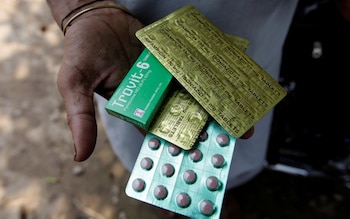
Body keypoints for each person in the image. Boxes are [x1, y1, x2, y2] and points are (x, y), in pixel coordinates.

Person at [46, 0, 298, 216]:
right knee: (146, 143)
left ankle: (215, 191)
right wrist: (81, 7)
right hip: (127, 33)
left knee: (240, 124)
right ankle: (171, 199)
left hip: (259, 22)